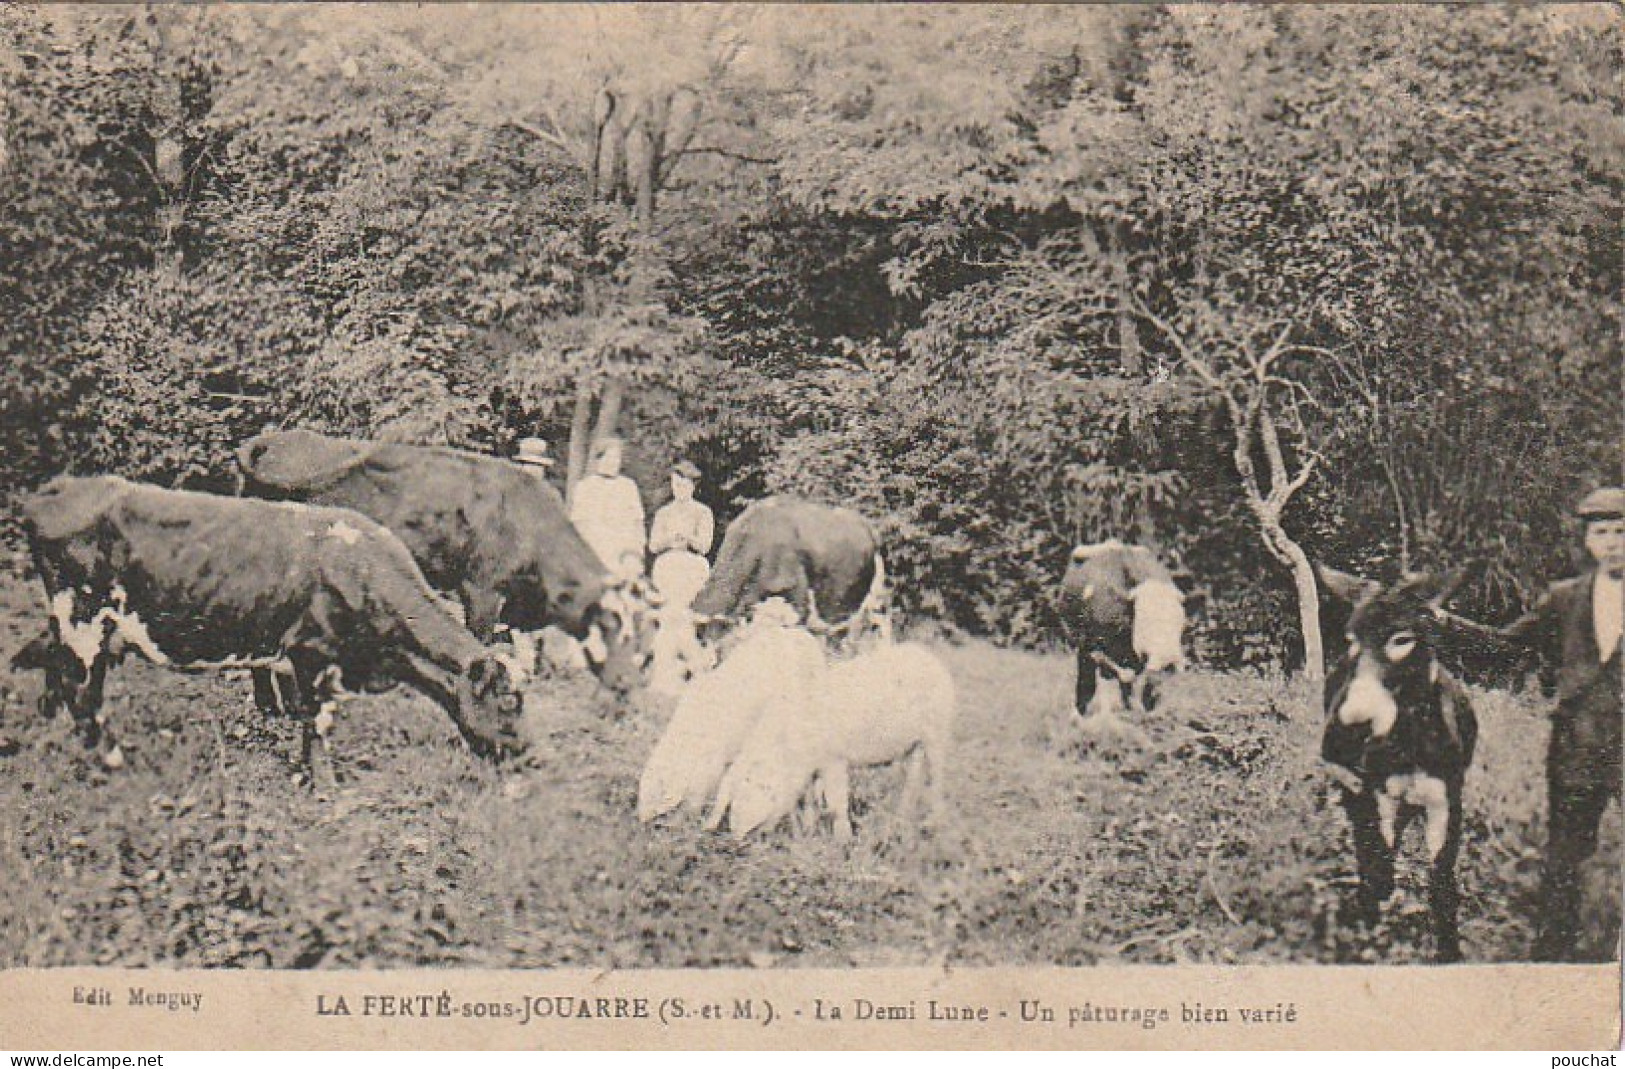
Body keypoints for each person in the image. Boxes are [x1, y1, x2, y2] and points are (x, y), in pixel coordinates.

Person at [1496, 486, 1624, 961]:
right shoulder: (1565, 599)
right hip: (1578, 750)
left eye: (1621, 531)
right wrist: (1438, 624)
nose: (1613, 542)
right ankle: (1553, 962)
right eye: (1602, 533)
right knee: (1565, 858)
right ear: (1588, 542)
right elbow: (1506, 645)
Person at [646, 459, 716, 694]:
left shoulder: (702, 512)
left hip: (692, 565)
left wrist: (687, 537)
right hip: (668, 564)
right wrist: (669, 539)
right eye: (676, 485)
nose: (680, 490)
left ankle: (690, 668)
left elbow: (705, 545)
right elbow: (654, 545)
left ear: (693, 487)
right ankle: (669, 672)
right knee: (671, 615)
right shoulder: (664, 513)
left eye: (684, 485)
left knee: (681, 615)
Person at [569, 437, 646, 584]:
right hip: (596, 547)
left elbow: (637, 524)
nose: (613, 462)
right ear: (598, 459)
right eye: (609, 457)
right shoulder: (585, 487)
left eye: (617, 458)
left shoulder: (628, 486)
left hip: (624, 550)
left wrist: (636, 552)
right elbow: (579, 526)